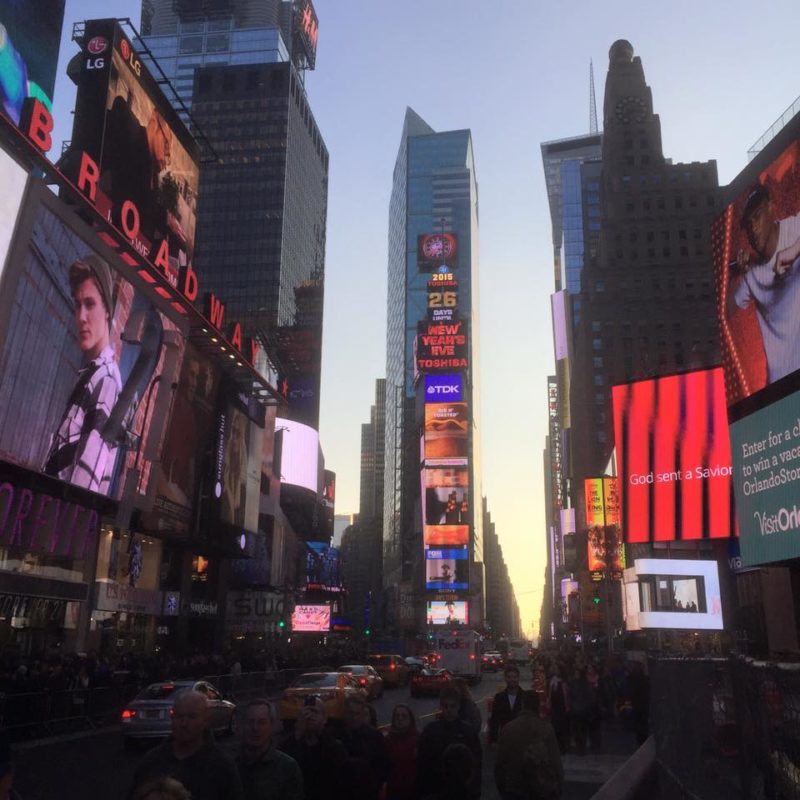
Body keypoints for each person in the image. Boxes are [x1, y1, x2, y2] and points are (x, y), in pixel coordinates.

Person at [43, 254, 122, 494]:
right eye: (77, 305)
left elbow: (82, 489)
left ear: (107, 310)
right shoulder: (92, 374)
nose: (81, 317)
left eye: (90, 304)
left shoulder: (105, 381)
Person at [727, 182, 800, 384]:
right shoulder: (751, 273)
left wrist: (794, 250)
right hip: (779, 387)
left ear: (770, 207)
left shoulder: (794, 228)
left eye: (757, 216)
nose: (754, 228)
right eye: (748, 224)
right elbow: (726, 312)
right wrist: (735, 274)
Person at [127, 690, 243, 800]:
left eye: (191, 717)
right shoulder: (152, 760)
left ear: (206, 721)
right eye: (179, 717)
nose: (184, 723)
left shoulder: (222, 766)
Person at [495, 691, 563, 800]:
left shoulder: (508, 728)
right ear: (538, 706)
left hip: (514, 785)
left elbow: (500, 762)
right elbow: (555, 761)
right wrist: (558, 785)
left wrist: (501, 787)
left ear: (522, 705)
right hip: (539, 786)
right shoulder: (546, 728)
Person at [417, 687, 482, 799]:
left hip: (461, 791)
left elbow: (476, 763)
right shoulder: (430, 731)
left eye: (452, 706)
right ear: (441, 707)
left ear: (459, 707)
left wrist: (474, 792)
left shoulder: (468, 731)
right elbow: (422, 763)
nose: (448, 710)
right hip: (436, 789)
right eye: (445, 706)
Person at [278, 696, 348, 800]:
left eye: (315, 712)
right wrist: (299, 732)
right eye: (306, 712)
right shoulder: (288, 745)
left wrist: (319, 732)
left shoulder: (335, 745)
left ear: (324, 718)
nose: (310, 716)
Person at [238, 699, 303, 800]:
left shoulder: (287, 767)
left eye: (261, 722)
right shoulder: (230, 764)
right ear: (242, 725)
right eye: (250, 722)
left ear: (272, 726)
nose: (255, 728)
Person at [338, 694, 390, 800]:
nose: (354, 717)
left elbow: (382, 764)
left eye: (357, 714)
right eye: (351, 713)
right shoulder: (336, 734)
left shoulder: (374, 736)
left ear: (362, 714)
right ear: (345, 713)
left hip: (367, 792)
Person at [383, 704, 418, 800]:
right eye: (397, 716)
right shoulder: (387, 740)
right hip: (393, 789)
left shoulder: (418, 740)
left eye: (404, 716)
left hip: (413, 789)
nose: (400, 719)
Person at [489, 665, 523, 744]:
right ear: (505, 679)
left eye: (514, 677)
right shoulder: (499, 697)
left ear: (518, 678)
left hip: (521, 738)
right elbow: (494, 720)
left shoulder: (525, 697)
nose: (512, 679)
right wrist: (493, 739)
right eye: (509, 677)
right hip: (505, 738)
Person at [547, 666, 570, 754]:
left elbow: (565, 696)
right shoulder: (553, 683)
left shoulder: (558, 683)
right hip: (556, 708)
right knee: (558, 728)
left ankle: (562, 747)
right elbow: (550, 696)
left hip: (560, 708)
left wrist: (567, 707)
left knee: (560, 728)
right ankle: (560, 746)